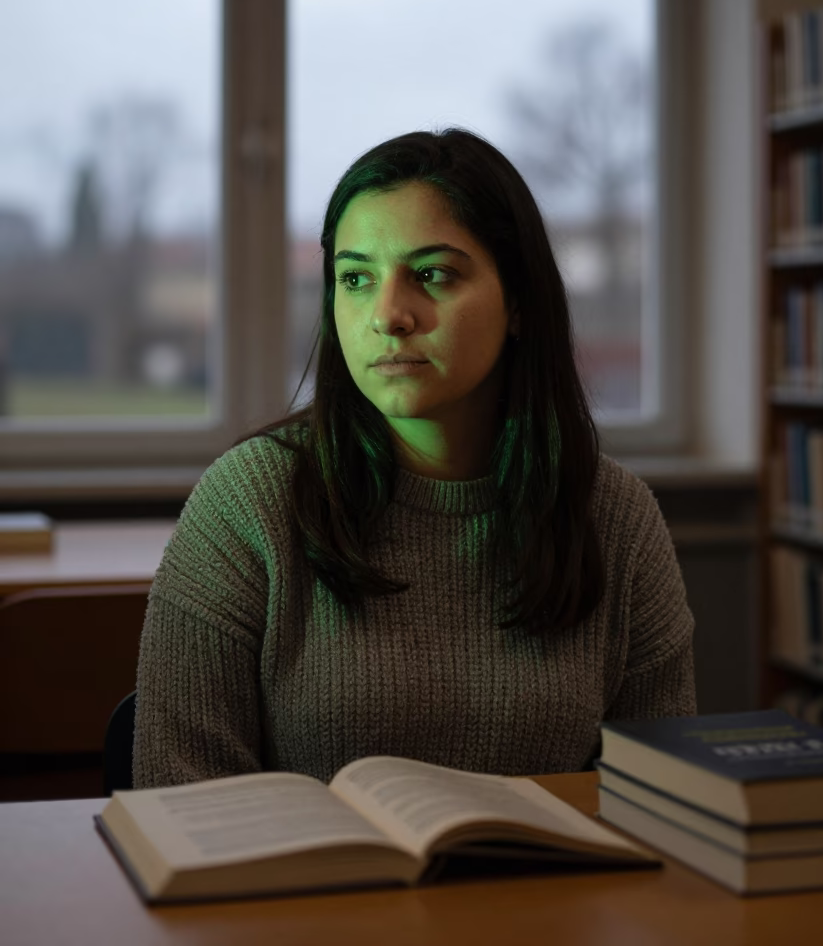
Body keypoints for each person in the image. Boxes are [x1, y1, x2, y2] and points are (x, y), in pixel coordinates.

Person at [133, 128, 695, 789]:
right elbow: (179, 794)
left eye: (432, 275)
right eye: (356, 278)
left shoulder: (616, 518)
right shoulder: (249, 502)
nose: (389, 315)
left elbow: (664, 801)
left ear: (518, 301)